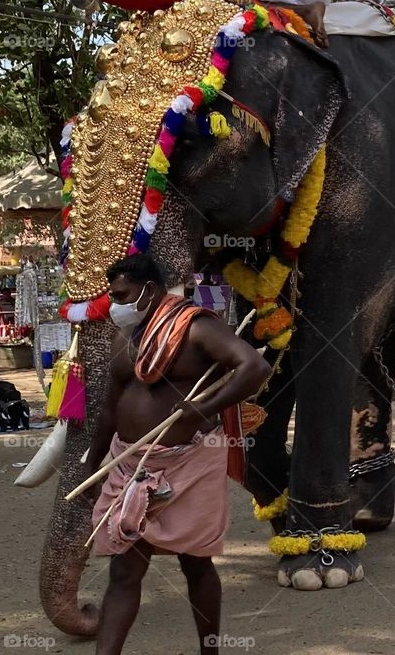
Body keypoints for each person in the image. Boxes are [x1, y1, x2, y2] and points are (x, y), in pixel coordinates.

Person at [86, 253, 271, 655]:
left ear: (149, 291)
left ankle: (210, 652)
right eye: (112, 296)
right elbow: (107, 409)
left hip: (190, 462)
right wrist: (92, 463)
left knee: (195, 563)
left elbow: (253, 366)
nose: (115, 305)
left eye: (122, 295)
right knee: (124, 569)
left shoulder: (198, 328)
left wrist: (203, 408)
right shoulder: (125, 338)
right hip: (130, 464)